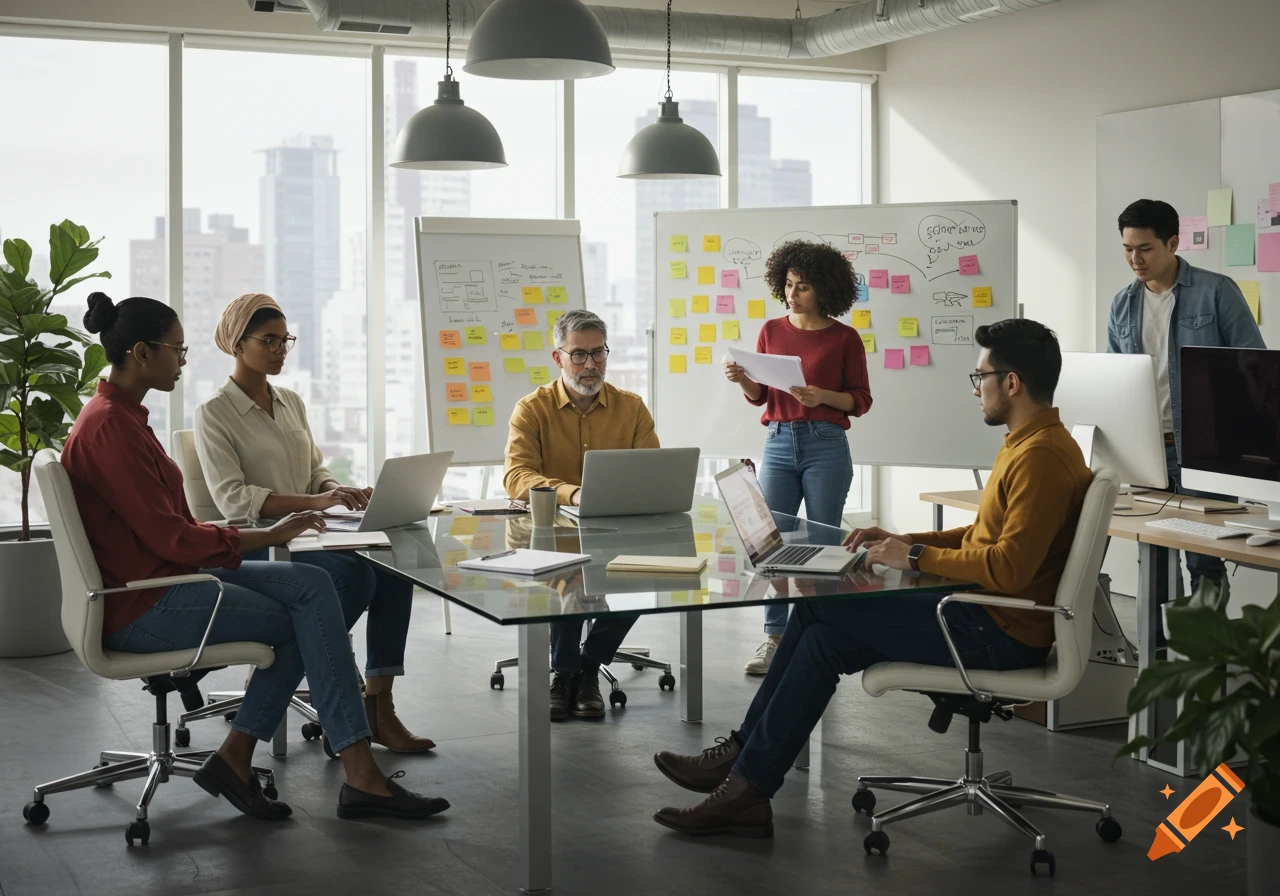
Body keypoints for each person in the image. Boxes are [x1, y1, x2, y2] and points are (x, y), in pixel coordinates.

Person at [651, 318, 1090, 838]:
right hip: (982, 614)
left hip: (997, 632)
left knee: (818, 606)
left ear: (1011, 382)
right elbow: (986, 536)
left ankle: (743, 771)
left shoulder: (1040, 457)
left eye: (981, 378)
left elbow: (1008, 566)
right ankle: (746, 782)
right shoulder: (1030, 442)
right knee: (823, 639)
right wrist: (904, 542)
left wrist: (918, 557)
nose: (977, 389)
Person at [62, 292, 448, 821]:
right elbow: (172, 538)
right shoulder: (111, 427)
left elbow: (171, 529)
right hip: (146, 604)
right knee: (307, 611)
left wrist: (315, 503)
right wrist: (266, 535)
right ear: (141, 353)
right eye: (177, 350)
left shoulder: (122, 418)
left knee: (315, 589)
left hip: (169, 578)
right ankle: (356, 770)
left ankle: (246, 758)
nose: (183, 360)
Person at [194, 293, 432, 753]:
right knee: (356, 576)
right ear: (237, 344)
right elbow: (233, 498)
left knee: (395, 565)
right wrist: (314, 501)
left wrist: (340, 491)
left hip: (309, 534)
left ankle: (378, 703)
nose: (281, 350)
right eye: (270, 340)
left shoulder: (291, 402)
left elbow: (314, 470)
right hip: (259, 542)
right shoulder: (214, 414)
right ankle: (329, 684)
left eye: (287, 340)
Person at [723, 240, 872, 676]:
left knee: (824, 546)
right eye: (788, 284)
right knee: (773, 544)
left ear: (824, 289)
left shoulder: (844, 337)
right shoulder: (771, 330)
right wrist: (743, 380)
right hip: (778, 440)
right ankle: (773, 638)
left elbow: (860, 400)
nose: (792, 294)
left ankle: (823, 635)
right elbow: (761, 396)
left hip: (826, 442)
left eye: (802, 286)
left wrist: (819, 395)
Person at [504, 309, 655, 721]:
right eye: (579, 355)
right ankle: (567, 673)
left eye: (598, 354)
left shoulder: (632, 408)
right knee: (573, 579)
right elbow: (517, 474)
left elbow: (652, 471)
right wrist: (573, 493)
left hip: (617, 529)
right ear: (558, 358)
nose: (590, 365)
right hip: (551, 532)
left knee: (651, 575)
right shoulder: (532, 408)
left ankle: (588, 666)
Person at [1107, 199, 1265, 593]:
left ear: (1173, 243)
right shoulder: (1122, 304)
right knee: (1154, 561)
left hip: (1204, 449)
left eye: (1145, 248)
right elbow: (1115, 378)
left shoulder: (1216, 292)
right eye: (1127, 249)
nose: (1135, 259)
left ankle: (1209, 655)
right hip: (1148, 453)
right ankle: (1156, 653)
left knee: (1205, 560)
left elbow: (1257, 366)